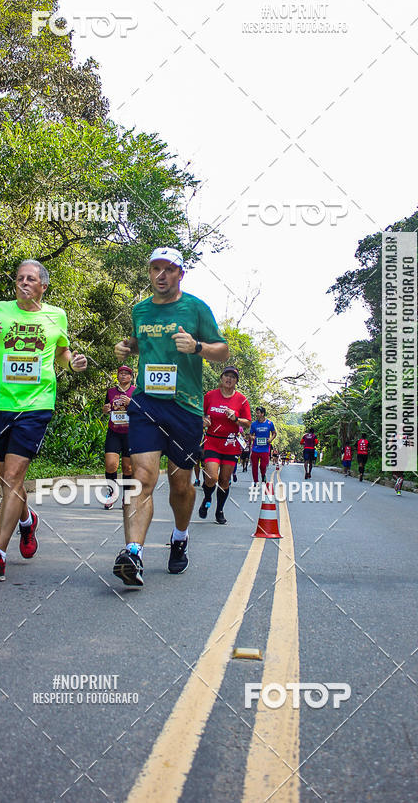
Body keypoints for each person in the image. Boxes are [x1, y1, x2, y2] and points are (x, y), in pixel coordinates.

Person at [112, 247, 229, 587]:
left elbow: (222, 351)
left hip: (185, 407)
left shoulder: (195, 308)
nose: (161, 275)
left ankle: (180, 536)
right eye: (155, 269)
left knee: (180, 485)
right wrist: (127, 347)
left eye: (168, 269)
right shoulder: (140, 310)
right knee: (142, 479)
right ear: (149, 273)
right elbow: (143, 343)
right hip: (147, 403)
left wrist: (197, 347)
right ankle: (133, 552)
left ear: (180, 274)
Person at [0, 260, 87, 582]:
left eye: (30, 279)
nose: (23, 282)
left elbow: (61, 352)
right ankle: (27, 521)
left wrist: (72, 362)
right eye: (20, 278)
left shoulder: (56, 315)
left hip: (35, 405)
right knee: (0, 474)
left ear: (43, 286)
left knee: (12, 476)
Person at [199, 367, 251, 524]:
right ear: (221, 378)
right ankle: (207, 498)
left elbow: (248, 423)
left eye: (233, 377)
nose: (229, 379)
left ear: (236, 381)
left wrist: (236, 418)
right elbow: (199, 414)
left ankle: (219, 510)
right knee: (211, 477)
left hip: (230, 443)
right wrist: (203, 420)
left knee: (224, 480)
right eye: (226, 376)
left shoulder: (241, 400)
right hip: (212, 441)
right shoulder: (210, 396)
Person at [102, 365, 135, 509]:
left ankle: (126, 497)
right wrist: (105, 409)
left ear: (131, 377)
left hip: (131, 433)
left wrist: (131, 403)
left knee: (128, 468)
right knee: (110, 465)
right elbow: (105, 408)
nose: (123, 375)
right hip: (114, 431)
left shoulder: (136, 392)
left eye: (126, 374)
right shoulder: (110, 391)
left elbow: (143, 410)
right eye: (120, 373)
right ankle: (111, 494)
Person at [249, 407, 276, 483]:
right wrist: (252, 437)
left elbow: (274, 433)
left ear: (262, 414)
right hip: (255, 448)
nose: (256, 414)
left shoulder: (269, 423)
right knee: (254, 466)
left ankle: (263, 475)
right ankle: (255, 481)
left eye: (258, 413)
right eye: (256, 413)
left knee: (263, 466)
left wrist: (271, 439)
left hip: (265, 448)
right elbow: (250, 435)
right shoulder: (254, 424)